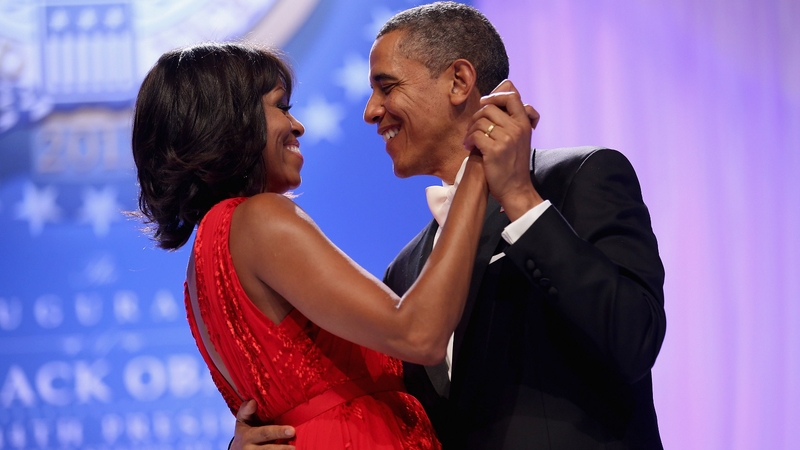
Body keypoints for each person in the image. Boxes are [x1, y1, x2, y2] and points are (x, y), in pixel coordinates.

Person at [233, 1, 666, 449]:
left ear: (459, 82)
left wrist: (520, 199)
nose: (370, 110)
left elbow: (634, 339)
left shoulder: (578, 178)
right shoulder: (406, 271)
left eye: (387, 87)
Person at [131, 41, 495, 450]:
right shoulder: (257, 219)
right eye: (281, 107)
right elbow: (418, 334)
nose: (297, 125)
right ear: (229, 121)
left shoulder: (204, 264)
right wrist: (478, 166)